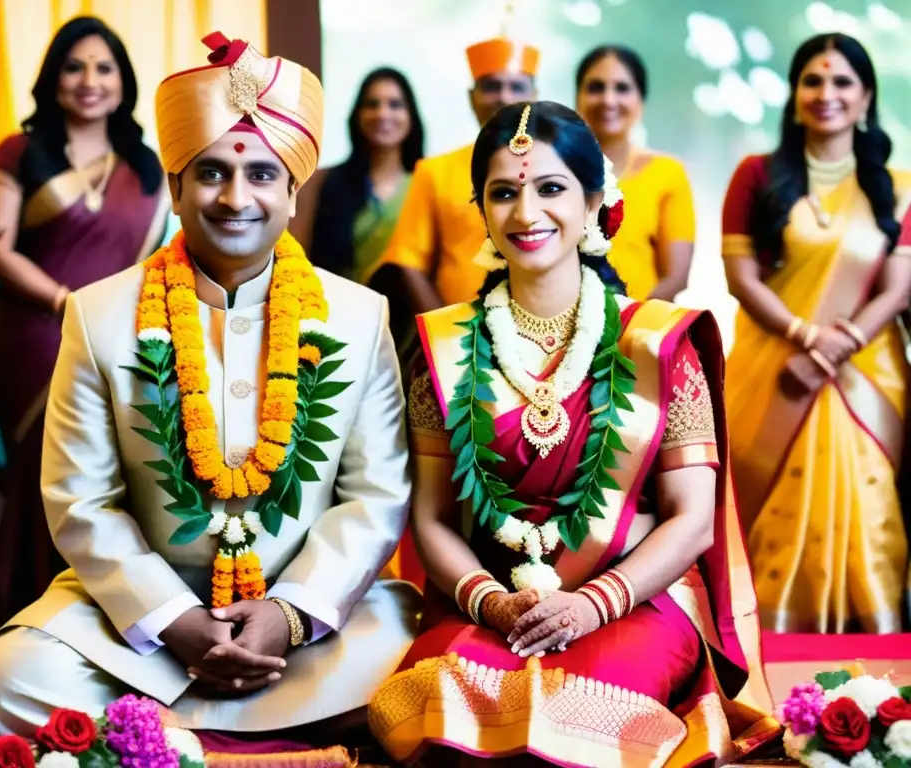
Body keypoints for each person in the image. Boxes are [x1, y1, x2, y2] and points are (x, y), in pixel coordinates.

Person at [0, 33, 419, 745]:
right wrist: (171, 617)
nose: (236, 198)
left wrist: (291, 612)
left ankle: (153, 739)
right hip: (137, 629)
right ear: (175, 188)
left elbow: (376, 495)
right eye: (209, 174)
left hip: (307, 625)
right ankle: (250, 733)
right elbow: (81, 499)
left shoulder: (359, 316)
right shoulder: (99, 311)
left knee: (417, 672)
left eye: (263, 175)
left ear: (293, 193)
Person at [368, 101, 777, 766]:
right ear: (482, 211)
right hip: (493, 602)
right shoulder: (441, 348)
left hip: (634, 600)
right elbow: (432, 518)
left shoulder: (658, 343)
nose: (527, 214)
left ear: (594, 205)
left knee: (582, 720)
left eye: (551, 189)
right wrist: (492, 603)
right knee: (441, 704)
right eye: (504, 192)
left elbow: (692, 520)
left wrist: (592, 604)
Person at [0, 16, 170, 623]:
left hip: (122, 337)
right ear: (53, 77)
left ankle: (111, 614)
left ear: (123, 81)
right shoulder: (20, 152)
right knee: (45, 475)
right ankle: (27, 611)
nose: (89, 81)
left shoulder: (148, 163)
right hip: (34, 336)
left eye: (104, 67)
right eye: (74, 66)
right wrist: (66, 302)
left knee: (115, 473)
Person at [723, 33, 911, 634]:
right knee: (766, 512)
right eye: (813, 80)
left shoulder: (897, 186)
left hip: (868, 375)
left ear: (865, 97)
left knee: (870, 503)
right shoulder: (757, 176)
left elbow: (899, 287)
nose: (826, 94)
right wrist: (806, 334)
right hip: (773, 367)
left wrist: (838, 344)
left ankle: (879, 668)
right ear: (795, 93)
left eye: (841, 82)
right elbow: (740, 276)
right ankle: (765, 650)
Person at [370, 36, 540, 317]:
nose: (504, 97)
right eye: (491, 86)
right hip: (463, 343)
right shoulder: (436, 171)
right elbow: (409, 263)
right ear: (471, 97)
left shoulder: (558, 167)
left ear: (534, 95)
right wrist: (447, 334)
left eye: (516, 87)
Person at [575, 45, 695, 301]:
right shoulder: (552, 173)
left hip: (640, 331)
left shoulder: (666, 172)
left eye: (622, 88)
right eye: (596, 87)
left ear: (641, 101)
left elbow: (676, 277)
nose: (608, 99)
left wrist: (628, 323)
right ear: (577, 98)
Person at [291, 67, 424, 285]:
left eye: (395, 104)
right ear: (357, 115)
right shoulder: (320, 181)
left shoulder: (427, 182)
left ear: (411, 115)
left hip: (413, 316)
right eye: (372, 104)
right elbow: (296, 258)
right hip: (338, 309)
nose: (382, 114)